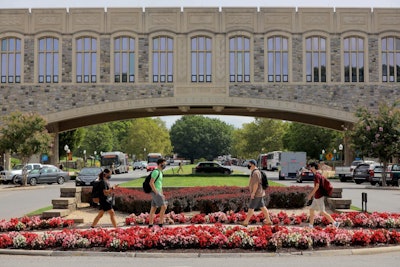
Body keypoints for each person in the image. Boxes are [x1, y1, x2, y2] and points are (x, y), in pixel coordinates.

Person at [307, 162, 340, 228]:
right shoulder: (318, 174)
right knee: (311, 209)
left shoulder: (317, 175)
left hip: (319, 196)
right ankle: (310, 225)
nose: (310, 168)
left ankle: (335, 223)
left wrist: (310, 195)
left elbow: (317, 186)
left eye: (310, 167)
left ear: (313, 167)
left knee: (322, 212)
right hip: (317, 197)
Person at [241, 159, 272, 227]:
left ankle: (246, 222)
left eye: (249, 164)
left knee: (251, 207)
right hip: (259, 193)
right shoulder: (255, 172)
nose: (248, 165)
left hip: (257, 193)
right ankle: (269, 221)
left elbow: (256, 184)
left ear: (252, 164)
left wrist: (253, 193)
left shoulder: (255, 173)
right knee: (263, 207)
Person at [148, 158, 169, 228]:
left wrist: (162, 193)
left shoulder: (160, 172)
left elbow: (160, 184)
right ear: (160, 164)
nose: (165, 165)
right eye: (164, 163)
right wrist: (156, 192)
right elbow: (151, 183)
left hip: (158, 191)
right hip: (155, 192)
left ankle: (150, 225)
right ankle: (160, 223)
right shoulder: (156, 172)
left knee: (153, 208)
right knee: (164, 206)